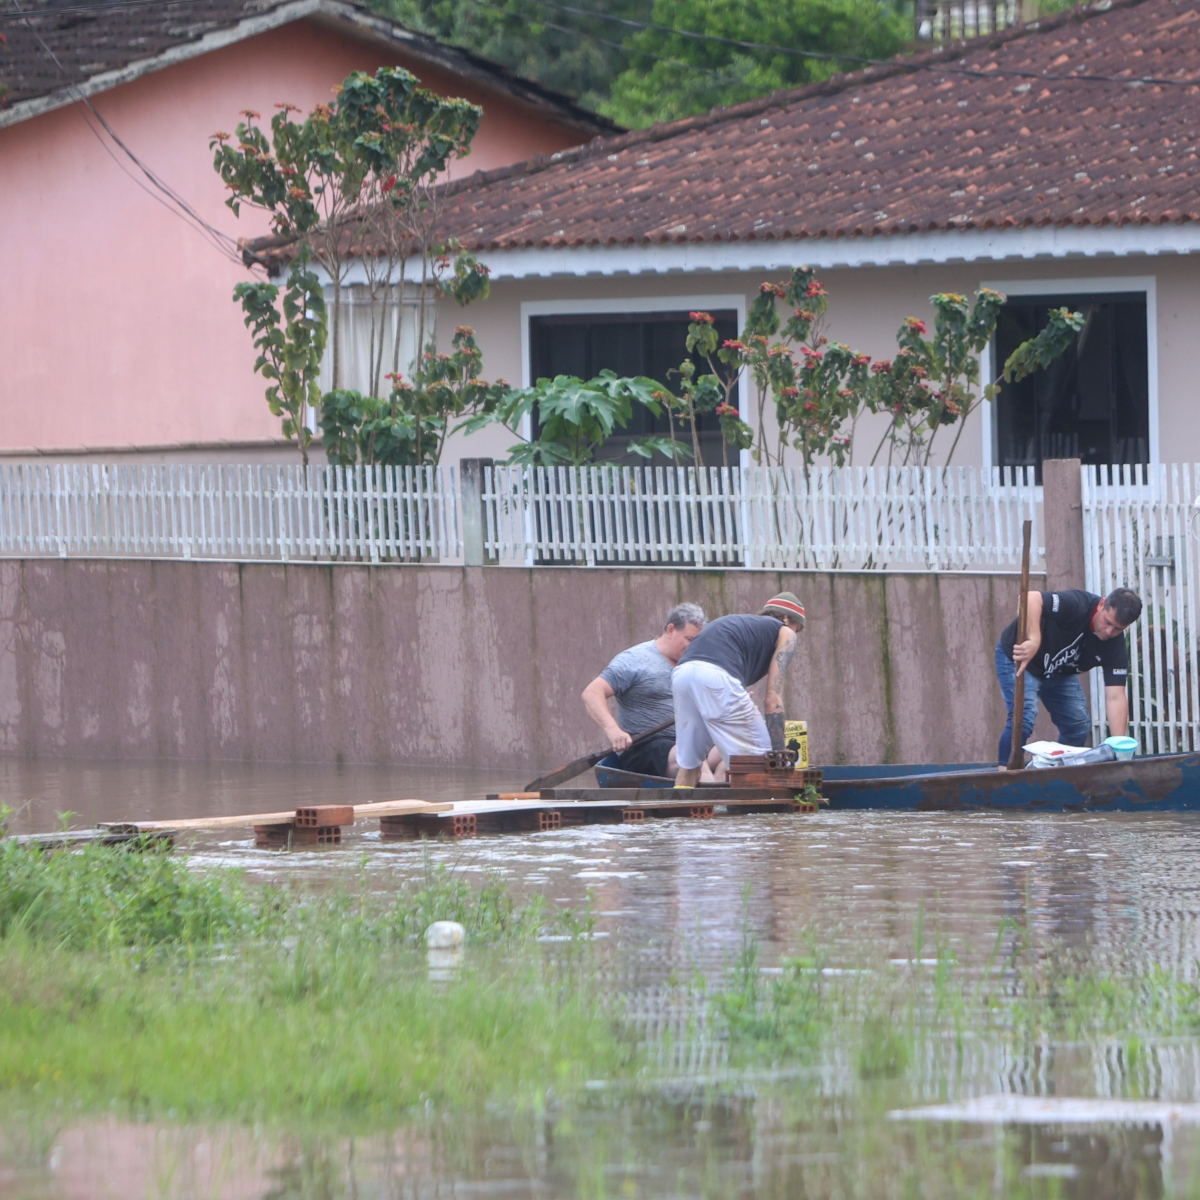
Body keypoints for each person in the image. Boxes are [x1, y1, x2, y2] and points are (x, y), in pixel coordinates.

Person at [672, 592, 806, 787]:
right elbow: (772, 698)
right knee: (760, 758)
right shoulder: (786, 632)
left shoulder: (744, 626)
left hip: (682, 674)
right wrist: (778, 752)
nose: (795, 633)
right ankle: (755, 814)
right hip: (716, 676)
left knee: (690, 764)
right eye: (797, 628)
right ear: (786, 619)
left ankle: (679, 812)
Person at [996, 586, 1142, 765]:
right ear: (1102, 604)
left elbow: (1115, 696)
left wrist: (1119, 747)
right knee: (1023, 717)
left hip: (1058, 672)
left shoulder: (1114, 647)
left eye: (1118, 629)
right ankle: (1003, 776)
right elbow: (1030, 598)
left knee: (1078, 726)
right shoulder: (1078, 604)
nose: (1109, 632)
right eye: (1107, 622)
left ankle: (1057, 771)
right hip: (1021, 659)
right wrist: (1034, 639)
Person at [582, 603, 707, 779]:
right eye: (689, 640)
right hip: (643, 748)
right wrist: (613, 730)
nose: (694, 647)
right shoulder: (635, 661)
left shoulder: (697, 664)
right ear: (671, 630)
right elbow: (591, 693)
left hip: (688, 742)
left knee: (735, 756)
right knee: (694, 757)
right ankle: (713, 802)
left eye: (698, 641)